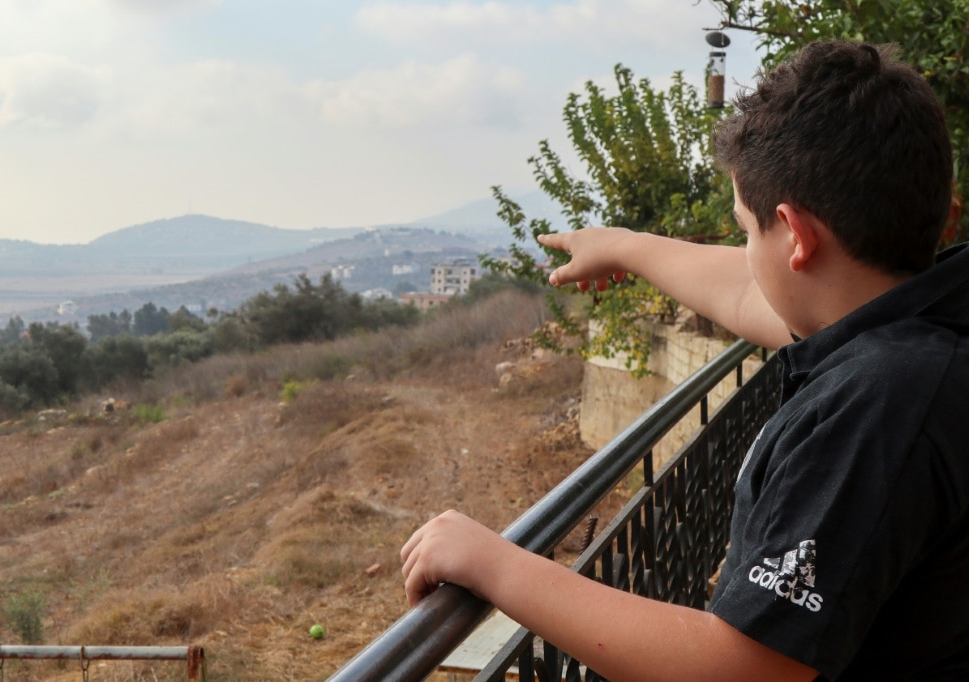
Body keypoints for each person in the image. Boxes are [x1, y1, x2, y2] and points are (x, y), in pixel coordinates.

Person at [401, 41, 969, 681]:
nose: (744, 251)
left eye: (746, 230)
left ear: (796, 235)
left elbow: (747, 669)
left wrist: (495, 563)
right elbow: (755, 290)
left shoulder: (883, 402)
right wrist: (624, 245)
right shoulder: (921, 322)